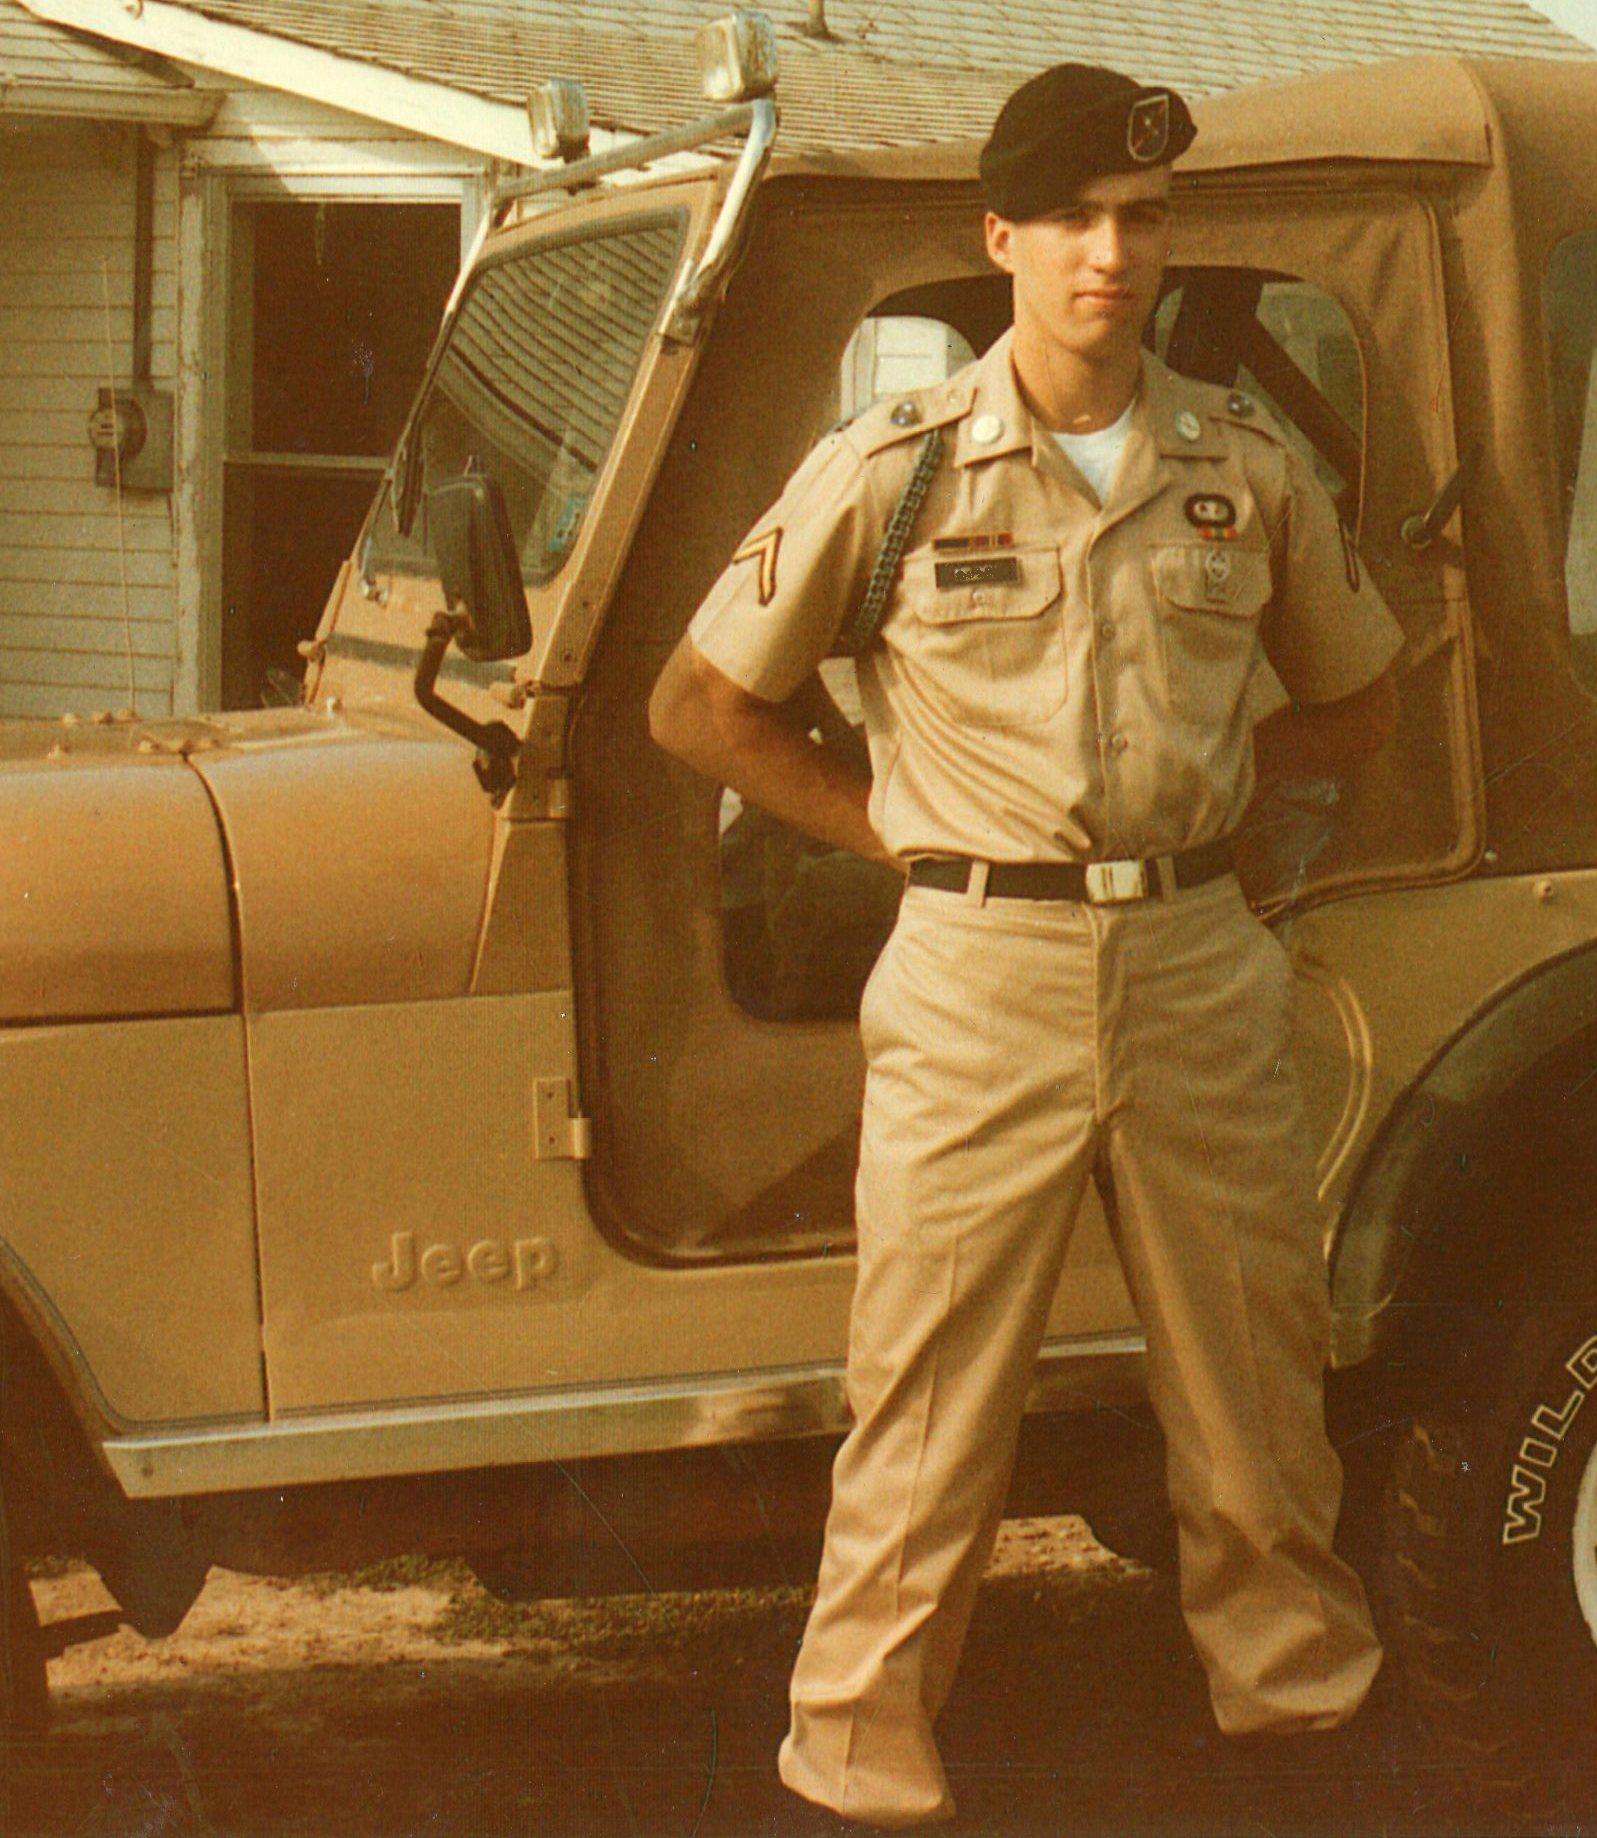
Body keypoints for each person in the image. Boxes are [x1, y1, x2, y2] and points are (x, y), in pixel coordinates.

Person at [648, 62, 1406, 1829]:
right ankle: (858, 1758)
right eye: (1071, 219)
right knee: (926, 1403)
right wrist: (899, 832)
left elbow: (1361, 698)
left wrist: (1219, 795)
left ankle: (1302, 1722)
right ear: (1001, 240)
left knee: (1257, 1384)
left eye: (1140, 220)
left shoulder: (1241, 465)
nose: (1108, 254)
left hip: (1198, 963)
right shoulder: (898, 465)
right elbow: (702, 705)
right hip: (979, 972)